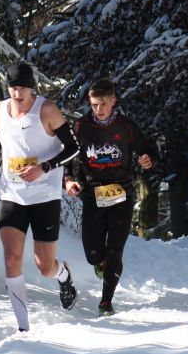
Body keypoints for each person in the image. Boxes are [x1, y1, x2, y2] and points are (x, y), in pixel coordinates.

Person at [0, 61, 80, 332]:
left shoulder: (46, 110)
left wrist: (44, 168)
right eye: (13, 88)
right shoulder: (0, 109)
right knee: (11, 260)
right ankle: (23, 329)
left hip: (45, 195)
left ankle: (63, 274)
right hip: (13, 193)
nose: (17, 94)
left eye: (23, 89)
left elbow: (73, 148)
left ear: (32, 89)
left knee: (44, 267)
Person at [64, 78, 158, 316]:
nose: (98, 109)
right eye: (94, 104)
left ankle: (106, 301)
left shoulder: (126, 126)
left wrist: (148, 159)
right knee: (92, 254)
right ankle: (100, 261)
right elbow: (68, 155)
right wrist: (68, 179)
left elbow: (148, 148)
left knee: (115, 249)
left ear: (113, 101)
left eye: (103, 104)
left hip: (122, 194)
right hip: (92, 194)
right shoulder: (82, 126)